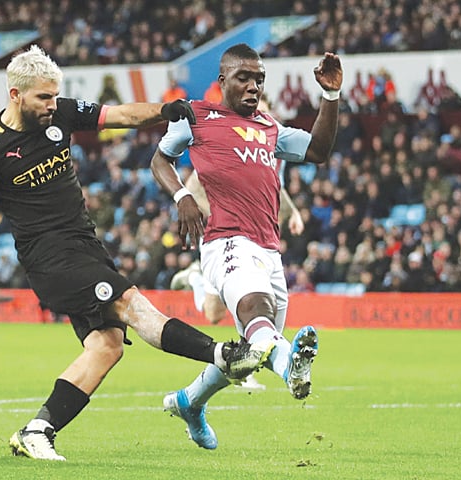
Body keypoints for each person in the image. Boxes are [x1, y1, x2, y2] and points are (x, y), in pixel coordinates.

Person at [0, 45, 271, 462]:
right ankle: (226, 355)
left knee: (106, 345)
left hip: (85, 246)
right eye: (43, 98)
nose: (53, 105)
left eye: (54, 96)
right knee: (131, 305)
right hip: (51, 258)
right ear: (15, 95)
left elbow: (118, 116)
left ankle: (37, 430)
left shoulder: (61, 114)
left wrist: (165, 109)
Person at [150, 43, 342, 449]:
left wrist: (330, 96)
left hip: (269, 249)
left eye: (259, 79)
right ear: (223, 81)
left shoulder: (270, 128)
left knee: (251, 348)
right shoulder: (196, 117)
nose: (253, 86)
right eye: (244, 78)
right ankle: (290, 363)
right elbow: (160, 160)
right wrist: (182, 197)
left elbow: (320, 151)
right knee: (258, 315)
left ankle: (190, 402)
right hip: (225, 241)